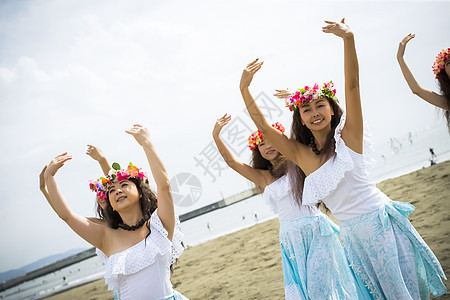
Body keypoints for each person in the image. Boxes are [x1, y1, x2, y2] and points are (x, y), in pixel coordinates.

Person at [239, 19, 446, 298]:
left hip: (380, 225)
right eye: (307, 109)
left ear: (332, 109)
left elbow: (352, 87)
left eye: (320, 105)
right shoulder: (303, 156)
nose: (314, 113)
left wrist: (348, 39)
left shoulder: (350, 138)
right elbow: (264, 129)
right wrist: (245, 90)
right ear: (300, 118)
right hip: (351, 238)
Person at [213, 114, 370, 299]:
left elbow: (309, 135)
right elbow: (232, 163)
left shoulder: (298, 164)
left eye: (270, 140)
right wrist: (216, 135)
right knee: (307, 290)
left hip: (315, 230)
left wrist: (297, 105)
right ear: (258, 151)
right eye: (261, 144)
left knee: (321, 287)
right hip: (290, 238)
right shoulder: (264, 178)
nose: (268, 145)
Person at [42, 124, 186, 300]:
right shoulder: (106, 236)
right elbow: (67, 215)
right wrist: (49, 179)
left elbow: (164, 186)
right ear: (111, 204)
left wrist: (147, 145)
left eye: (124, 185)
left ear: (140, 192)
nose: (117, 191)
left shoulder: (159, 225)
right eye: (111, 190)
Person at [397, 33, 450, 130]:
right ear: (444, 73)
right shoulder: (447, 102)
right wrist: (400, 58)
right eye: (448, 63)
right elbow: (417, 90)